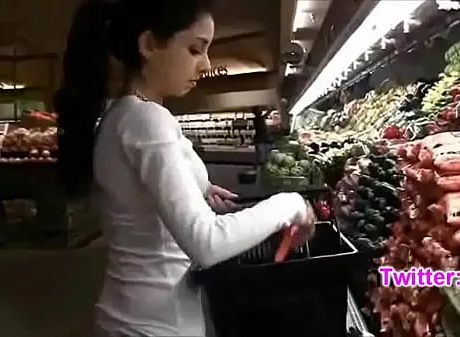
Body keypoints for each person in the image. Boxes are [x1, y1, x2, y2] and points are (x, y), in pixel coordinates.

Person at [54, 1, 317, 336]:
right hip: (154, 324)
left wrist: (199, 191)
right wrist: (290, 204)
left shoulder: (123, 116)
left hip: (134, 313)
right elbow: (206, 243)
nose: (206, 64)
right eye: (195, 49)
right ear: (149, 45)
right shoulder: (146, 120)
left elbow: (141, 196)